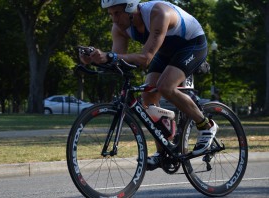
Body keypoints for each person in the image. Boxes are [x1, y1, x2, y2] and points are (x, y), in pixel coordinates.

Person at [79, 0, 218, 170]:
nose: (114, 19)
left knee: (165, 86)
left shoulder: (158, 13)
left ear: (130, 8)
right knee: (148, 97)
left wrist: (110, 56)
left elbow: (145, 59)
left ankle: (206, 125)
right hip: (165, 51)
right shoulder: (119, 29)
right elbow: (117, 61)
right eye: (110, 14)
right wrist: (93, 60)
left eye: (117, 13)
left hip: (191, 45)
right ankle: (163, 152)